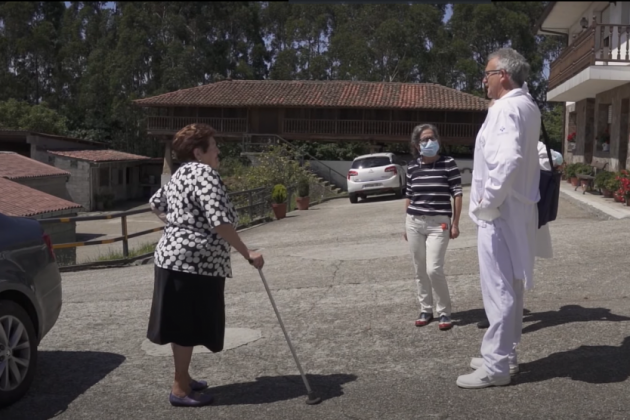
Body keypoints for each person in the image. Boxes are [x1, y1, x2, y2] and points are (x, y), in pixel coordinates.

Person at [146, 123, 264, 407]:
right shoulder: (206, 174)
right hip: (194, 263)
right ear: (199, 152)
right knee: (187, 324)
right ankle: (179, 389)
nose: (219, 151)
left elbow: (155, 203)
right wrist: (248, 252)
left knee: (181, 322)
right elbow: (220, 222)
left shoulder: (181, 173)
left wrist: (178, 226)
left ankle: (183, 378)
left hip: (173, 257)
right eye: (214, 146)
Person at [457, 48, 540, 389]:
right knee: (511, 286)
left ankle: (497, 366)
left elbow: (506, 161)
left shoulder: (506, 108)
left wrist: (484, 200)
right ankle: (504, 353)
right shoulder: (527, 105)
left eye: (488, 74)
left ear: (503, 74)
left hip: (500, 211)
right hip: (517, 208)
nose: (484, 80)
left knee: (499, 289)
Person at [403, 123, 463, 331]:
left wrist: (455, 223)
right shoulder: (412, 166)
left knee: (433, 268)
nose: (429, 142)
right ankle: (426, 309)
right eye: (424, 140)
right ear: (416, 144)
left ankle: (445, 311)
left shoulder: (448, 163)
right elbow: (409, 195)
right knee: (419, 268)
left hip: (440, 223)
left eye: (432, 138)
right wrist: (406, 223)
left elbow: (457, 193)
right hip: (414, 223)